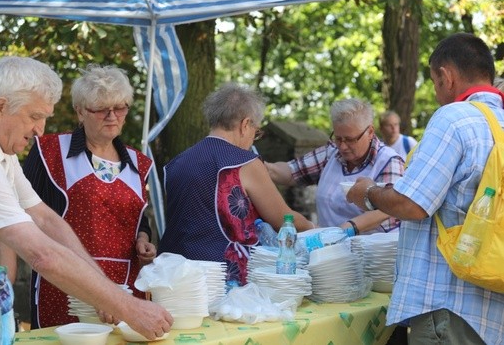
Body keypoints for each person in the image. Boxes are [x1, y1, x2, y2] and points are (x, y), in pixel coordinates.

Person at [0, 56, 172, 344]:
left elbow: (44, 217)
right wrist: (126, 306)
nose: (40, 130)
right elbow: (43, 255)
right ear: (0, 107)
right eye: (34, 116)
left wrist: (105, 292)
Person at [347, 33, 504, 345]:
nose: (436, 92)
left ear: (446, 76)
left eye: (434, 82)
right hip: (492, 309)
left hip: (449, 307)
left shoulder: (455, 118)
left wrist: (368, 192)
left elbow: (412, 204)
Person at [22, 64, 156, 328]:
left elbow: (139, 220)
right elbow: (22, 213)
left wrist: (144, 240)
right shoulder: (49, 152)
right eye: (101, 109)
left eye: (120, 108)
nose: (112, 116)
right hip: (66, 286)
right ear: (80, 111)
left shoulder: (139, 164)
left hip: (126, 287)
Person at [158, 83, 314, 286]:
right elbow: (283, 219)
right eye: (255, 132)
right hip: (224, 278)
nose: (253, 139)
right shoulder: (244, 163)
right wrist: (314, 228)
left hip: (174, 274)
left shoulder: (176, 163)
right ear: (245, 124)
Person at [266, 98, 404, 235]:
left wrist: (347, 229)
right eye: (338, 138)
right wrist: (261, 167)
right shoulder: (331, 153)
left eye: (350, 139)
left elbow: (390, 207)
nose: (343, 146)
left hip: (375, 253)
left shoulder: (389, 161)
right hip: (329, 247)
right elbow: (292, 171)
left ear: (370, 132)